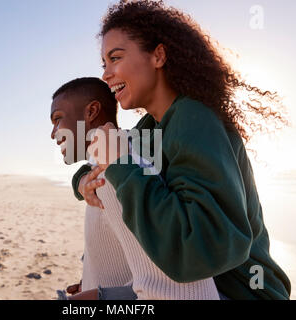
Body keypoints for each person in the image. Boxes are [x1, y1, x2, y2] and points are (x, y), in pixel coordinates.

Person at [72, 0, 291, 300]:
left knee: (115, 166)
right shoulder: (152, 127)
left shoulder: (195, 118)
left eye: (116, 58)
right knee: (84, 301)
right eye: (104, 64)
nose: (106, 74)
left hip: (240, 292)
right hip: (193, 281)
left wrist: (119, 162)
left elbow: (199, 246)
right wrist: (83, 182)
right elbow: (98, 170)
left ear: (158, 56)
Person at [51, 77, 220, 300]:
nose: (53, 133)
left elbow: (179, 292)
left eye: (58, 119)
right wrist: (91, 281)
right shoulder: (104, 166)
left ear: (91, 111)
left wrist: (99, 299)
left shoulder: (119, 167)